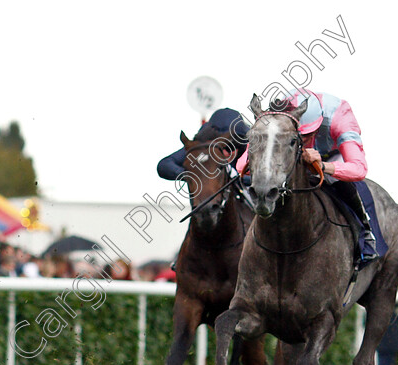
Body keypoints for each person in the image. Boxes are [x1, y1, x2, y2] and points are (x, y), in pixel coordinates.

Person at [235, 89, 378, 261]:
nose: (304, 140)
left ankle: (366, 233)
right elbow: (241, 165)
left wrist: (322, 166)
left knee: (337, 180)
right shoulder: (279, 117)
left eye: (308, 135)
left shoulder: (341, 117)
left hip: (330, 155)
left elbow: (359, 169)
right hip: (288, 148)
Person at [157, 107, 250, 181]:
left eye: (231, 147)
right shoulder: (202, 147)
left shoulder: (251, 148)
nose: (226, 153)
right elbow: (164, 165)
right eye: (220, 148)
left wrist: (240, 179)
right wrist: (192, 175)